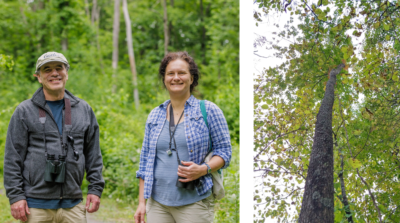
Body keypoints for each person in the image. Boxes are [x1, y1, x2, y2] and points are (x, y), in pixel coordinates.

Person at [3, 52, 105, 222]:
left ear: (67, 73)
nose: (54, 73)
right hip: (35, 205)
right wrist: (16, 196)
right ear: (39, 77)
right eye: (47, 69)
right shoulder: (24, 111)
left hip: (72, 204)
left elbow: (93, 155)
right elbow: (12, 157)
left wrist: (95, 189)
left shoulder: (84, 110)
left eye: (59, 68)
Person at [134, 52, 232, 223]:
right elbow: (145, 163)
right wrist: (142, 203)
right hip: (157, 205)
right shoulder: (155, 115)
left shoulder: (209, 110)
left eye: (182, 73)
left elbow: (224, 152)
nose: (176, 78)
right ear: (164, 79)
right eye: (170, 73)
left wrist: (203, 169)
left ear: (192, 78)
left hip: (194, 202)